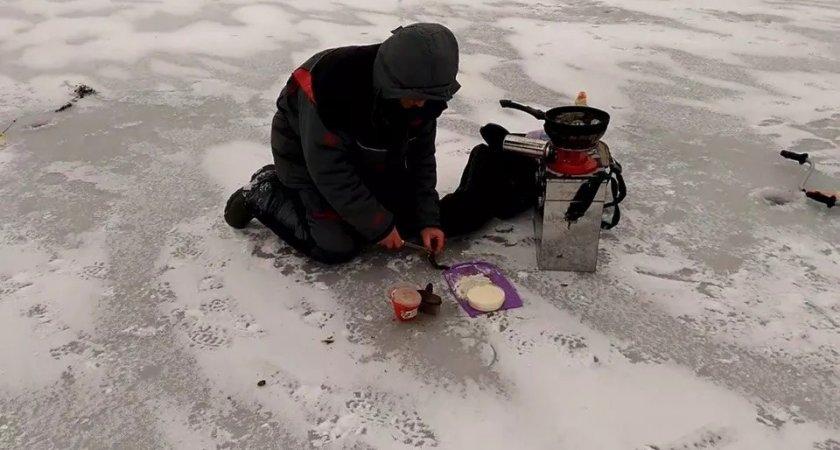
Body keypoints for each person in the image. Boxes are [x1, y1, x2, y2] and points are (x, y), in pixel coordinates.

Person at [224, 23, 461, 264]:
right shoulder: (333, 86)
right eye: (415, 97)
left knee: (403, 221)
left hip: (366, 153)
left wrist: (428, 220)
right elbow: (330, 171)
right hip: (305, 157)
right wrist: (377, 225)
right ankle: (264, 191)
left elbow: (421, 159)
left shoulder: (424, 94)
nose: (422, 105)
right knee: (337, 245)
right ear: (392, 81)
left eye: (429, 98)